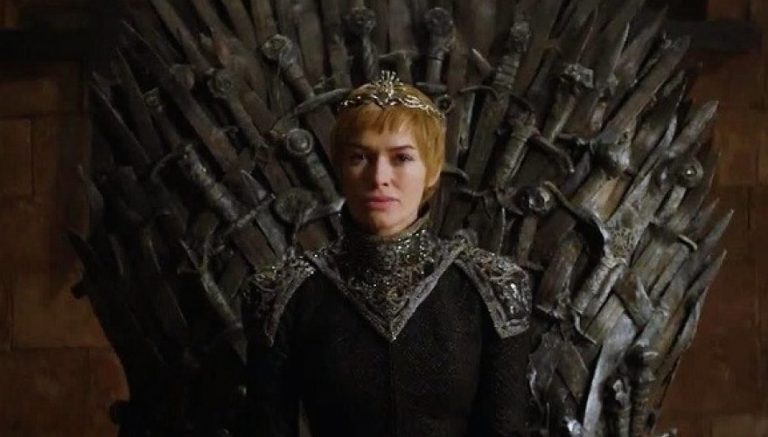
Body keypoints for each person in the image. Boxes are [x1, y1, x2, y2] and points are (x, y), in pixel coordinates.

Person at [243, 71, 532, 437]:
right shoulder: (283, 295)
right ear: (340, 169)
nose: (379, 176)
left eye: (401, 158)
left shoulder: (493, 288)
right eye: (359, 157)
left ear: (431, 171)